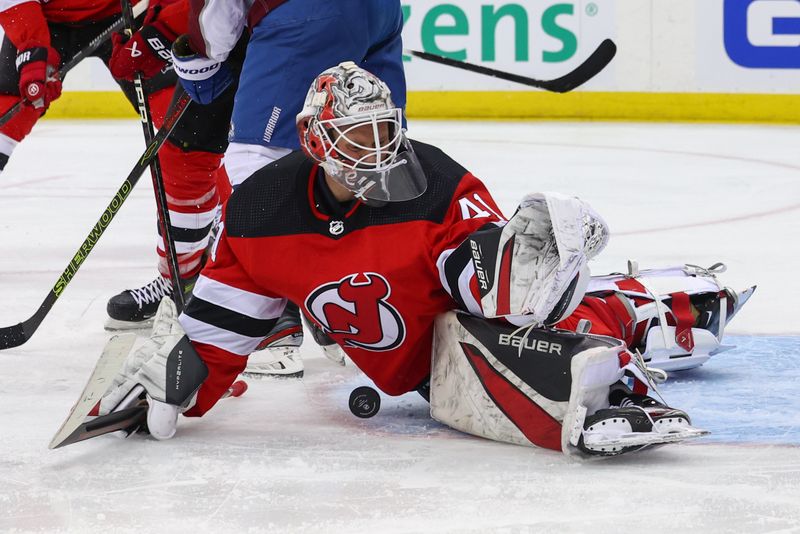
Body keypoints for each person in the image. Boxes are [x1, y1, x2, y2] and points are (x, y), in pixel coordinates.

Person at [92, 63, 752, 457]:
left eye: (384, 129)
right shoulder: (260, 214)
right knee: (480, 365)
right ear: (314, 140)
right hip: (416, 377)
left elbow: (488, 285)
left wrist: (523, 267)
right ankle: (630, 309)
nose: (377, 148)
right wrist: (182, 379)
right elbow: (221, 333)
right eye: (357, 134)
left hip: (460, 339)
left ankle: (628, 354)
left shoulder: (432, 182)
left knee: (503, 342)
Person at [168, 0, 407, 376]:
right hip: (381, 11)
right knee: (368, 151)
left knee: (256, 163)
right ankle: (360, 309)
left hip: (308, 12)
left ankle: (271, 326)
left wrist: (206, 51)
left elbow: (215, 23)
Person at [0, 0, 236, 330]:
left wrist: (161, 26)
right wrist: (31, 46)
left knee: (186, 141)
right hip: (46, 17)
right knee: (5, 114)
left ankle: (208, 270)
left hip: (133, 11)